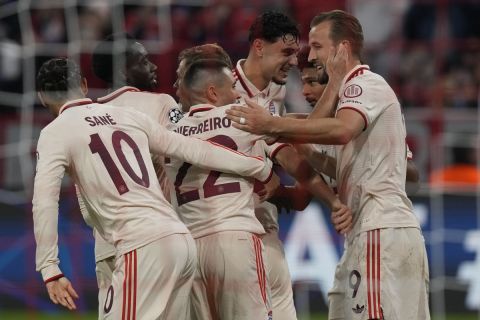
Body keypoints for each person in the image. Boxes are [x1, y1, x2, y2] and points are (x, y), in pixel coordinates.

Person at [33, 58, 278, 318]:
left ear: (41, 97)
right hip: (180, 241)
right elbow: (192, 148)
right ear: (83, 85)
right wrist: (259, 167)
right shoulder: (128, 117)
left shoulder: (54, 133)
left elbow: (45, 200)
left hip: (142, 245)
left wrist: (50, 268)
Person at [227, 10, 430, 320]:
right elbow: (310, 140)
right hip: (371, 232)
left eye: (318, 46)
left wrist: (272, 124)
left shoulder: (363, 84)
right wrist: (277, 128)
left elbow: (341, 130)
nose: (311, 55)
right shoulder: (354, 96)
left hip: (380, 229)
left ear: (343, 49)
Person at [90, 33, 184, 317]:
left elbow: (85, 197)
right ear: (122, 70)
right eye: (143, 61)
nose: (153, 67)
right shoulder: (162, 104)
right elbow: (183, 161)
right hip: (156, 239)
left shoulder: (89, 115)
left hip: (107, 244)